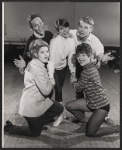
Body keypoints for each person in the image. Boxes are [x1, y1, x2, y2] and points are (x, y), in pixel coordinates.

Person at [4, 39, 64, 137]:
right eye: (42, 52)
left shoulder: (34, 63)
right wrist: (51, 76)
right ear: (35, 54)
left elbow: (29, 69)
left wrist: (24, 66)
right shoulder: (37, 69)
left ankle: (38, 122)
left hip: (38, 101)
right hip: (30, 106)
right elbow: (46, 91)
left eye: (47, 51)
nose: (46, 54)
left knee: (59, 108)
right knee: (35, 133)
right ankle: (10, 128)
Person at [65, 43, 119, 137]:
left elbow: (78, 88)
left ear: (89, 56)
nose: (80, 58)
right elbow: (96, 62)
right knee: (69, 106)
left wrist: (73, 81)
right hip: (90, 102)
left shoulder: (87, 71)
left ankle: (116, 128)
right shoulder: (90, 66)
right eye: (78, 55)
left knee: (90, 133)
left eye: (83, 55)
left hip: (101, 106)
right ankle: (86, 123)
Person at [69, 16, 114, 126]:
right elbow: (63, 31)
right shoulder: (73, 33)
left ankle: (104, 115)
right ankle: (81, 116)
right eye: (80, 26)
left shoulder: (95, 41)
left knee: (94, 91)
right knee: (78, 92)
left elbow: (100, 53)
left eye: (86, 27)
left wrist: (103, 58)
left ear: (91, 29)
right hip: (78, 66)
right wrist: (57, 35)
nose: (82, 29)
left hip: (90, 68)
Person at [47, 18, 76, 127]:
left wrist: (72, 72)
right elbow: (51, 60)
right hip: (52, 68)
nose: (65, 30)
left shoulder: (72, 40)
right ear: (58, 30)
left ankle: (59, 112)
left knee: (59, 90)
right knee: (57, 89)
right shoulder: (54, 40)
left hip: (63, 68)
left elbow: (71, 58)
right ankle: (59, 114)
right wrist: (51, 76)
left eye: (66, 27)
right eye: (61, 29)